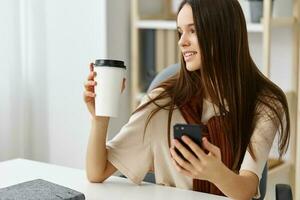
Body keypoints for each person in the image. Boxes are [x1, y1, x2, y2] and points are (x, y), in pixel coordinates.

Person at [83, 0, 290, 199]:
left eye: (193, 30)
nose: (182, 42)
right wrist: (100, 118)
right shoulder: (162, 103)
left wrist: (215, 172)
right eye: (180, 32)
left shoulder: (266, 103)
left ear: (223, 33)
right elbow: (97, 172)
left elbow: (246, 189)